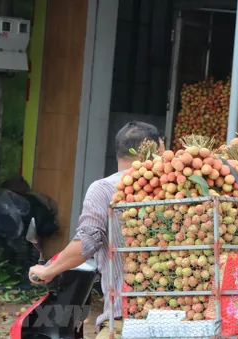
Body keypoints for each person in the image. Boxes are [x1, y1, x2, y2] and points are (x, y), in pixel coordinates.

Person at [28, 121, 163, 339]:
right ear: (156, 149)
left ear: (120, 151)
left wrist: (49, 270)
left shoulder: (104, 189)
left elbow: (87, 241)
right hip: (184, 316)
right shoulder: (177, 188)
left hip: (125, 320)